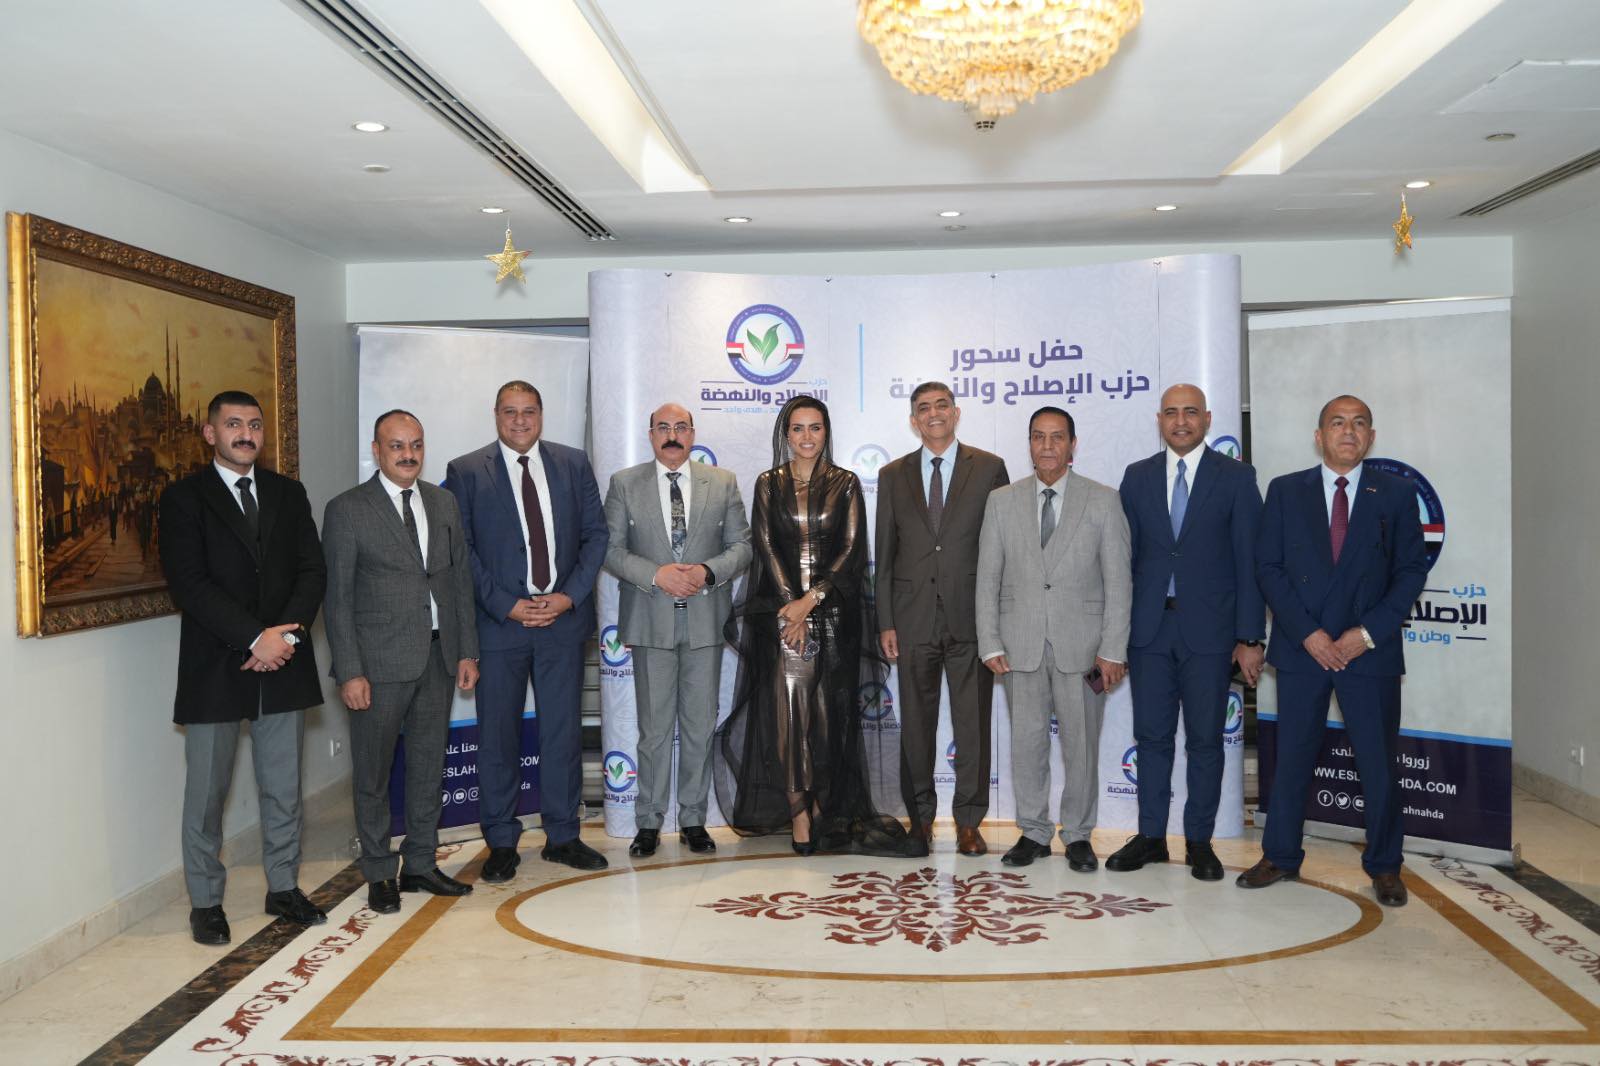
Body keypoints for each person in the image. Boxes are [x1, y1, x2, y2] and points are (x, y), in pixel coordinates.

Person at [1239, 395, 1428, 906]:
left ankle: (1385, 866)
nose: (1349, 431)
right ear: (1319, 436)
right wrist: (1309, 634)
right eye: (1337, 423)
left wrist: (1364, 635)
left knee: (1377, 764)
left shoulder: (1396, 493)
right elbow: (1268, 567)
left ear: (1371, 436)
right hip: (1305, 649)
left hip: (1369, 651)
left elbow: (1411, 571)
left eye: (1359, 423)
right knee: (1292, 758)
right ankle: (1280, 855)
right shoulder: (1285, 490)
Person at [158, 390, 327, 946]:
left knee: (283, 787)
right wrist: (255, 638)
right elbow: (190, 584)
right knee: (207, 795)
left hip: (284, 663)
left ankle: (284, 887)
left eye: (254, 424)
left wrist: (285, 636)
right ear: (211, 433)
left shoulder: (288, 493)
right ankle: (206, 902)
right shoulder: (183, 499)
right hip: (216, 667)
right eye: (233, 424)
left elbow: (312, 571)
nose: (246, 434)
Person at [714, 395, 911, 856]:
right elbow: (765, 545)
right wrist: (792, 608)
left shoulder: (845, 483)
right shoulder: (769, 483)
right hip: (783, 621)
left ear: (826, 433)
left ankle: (824, 806)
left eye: (815, 428)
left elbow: (851, 550)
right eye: (798, 428)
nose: (807, 437)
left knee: (828, 721)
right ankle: (799, 813)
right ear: (786, 434)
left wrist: (811, 601)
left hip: (836, 617)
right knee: (789, 720)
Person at [446, 381, 609, 876]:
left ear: (541, 414)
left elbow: (596, 535)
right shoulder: (465, 471)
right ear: (496, 414)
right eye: (510, 412)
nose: (520, 420)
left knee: (562, 734)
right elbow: (460, 550)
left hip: (562, 623)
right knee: (498, 736)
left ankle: (563, 835)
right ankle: (501, 841)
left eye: (529, 411)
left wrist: (568, 596)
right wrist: (507, 605)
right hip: (500, 627)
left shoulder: (573, 463)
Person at [322, 410, 480, 915]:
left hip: (438, 658)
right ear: (377, 450)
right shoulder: (347, 509)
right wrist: (350, 671)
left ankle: (420, 864)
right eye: (396, 446)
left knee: (428, 768)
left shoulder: (443, 502)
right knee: (373, 774)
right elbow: (337, 599)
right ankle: (378, 872)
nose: (408, 454)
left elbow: (458, 581)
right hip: (377, 666)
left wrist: (467, 650)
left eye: (416, 444)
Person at [1107, 384, 1265, 881]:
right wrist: (1114, 634)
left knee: (1205, 741)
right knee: (1151, 737)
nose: (1181, 421)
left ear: (1207, 418)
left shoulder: (1236, 478)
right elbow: (1122, 561)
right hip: (1149, 631)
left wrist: (1250, 638)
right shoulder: (1137, 477)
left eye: (1190, 412)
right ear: (1159, 420)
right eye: (1171, 413)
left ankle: (1199, 840)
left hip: (1211, 634)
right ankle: (1151, 836)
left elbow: (1250, 561)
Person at [976, 406, 1131, 872]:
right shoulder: (1001, 501)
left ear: (1072, 444)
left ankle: (1079, 835)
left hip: (1084, 649)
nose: (1047, 446)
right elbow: (987, 577)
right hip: (1018, 645)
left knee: (1081, 746)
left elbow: (1119, 582)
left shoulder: (1103, 500)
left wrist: (1113, 650)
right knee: (1026, 744)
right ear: (1029, 444)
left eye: (1057, 437)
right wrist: (990, 641)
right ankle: (1033, 832)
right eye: (1038, 437)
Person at [603, 403, 752, 857]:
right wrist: (656, 575)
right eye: (663, 427)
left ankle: (693, 819)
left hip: (705, 621)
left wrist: (707, 571)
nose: (672, 434)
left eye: (681, 427)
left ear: (692, 433)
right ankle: (648, 821)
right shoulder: (624, 483)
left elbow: (742, 546)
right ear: (651, 435)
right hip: (651, 621)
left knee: (699, 726)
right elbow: (609, 549)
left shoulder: (722, 481)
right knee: (652, 730)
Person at [874, 381, 1009, 856]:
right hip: (912, 620)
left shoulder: (989, 468)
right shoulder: (892, 475)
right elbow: (884, 553)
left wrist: (999, 621)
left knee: (973, 725)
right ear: (914, 420)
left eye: (941, 405)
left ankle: (969, 822)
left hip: (973, 618)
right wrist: (886, 621)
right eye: (923, 408)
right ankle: (920, 820)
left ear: (956, 412)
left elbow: (1004, 549)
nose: (933, 414)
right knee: (916, 726)